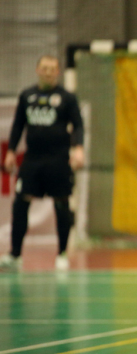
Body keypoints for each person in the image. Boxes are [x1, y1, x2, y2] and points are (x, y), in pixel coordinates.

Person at [0, 55, 84, 271]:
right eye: (44, 68)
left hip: (58, 161)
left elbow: (78, 125)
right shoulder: (27, 96)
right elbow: (18, 125)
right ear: (37, 70)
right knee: (21, 203)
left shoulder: (67, 98)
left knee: (61, 204)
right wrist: (11, 151)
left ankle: (62, 253)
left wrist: (78, 149)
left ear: (58, 72)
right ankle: (15, 254)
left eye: (52, 69)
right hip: (32, 161)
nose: (48, 72)